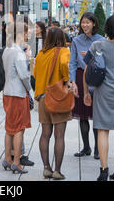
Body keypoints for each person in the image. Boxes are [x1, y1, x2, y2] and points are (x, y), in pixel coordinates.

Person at [82, 15, 114, 181]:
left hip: (102, 91)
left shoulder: (97, 45)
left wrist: (85, 92)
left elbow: (86, 66)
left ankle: (103, 171)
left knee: (102, 129)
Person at [34, 27, 73, 180]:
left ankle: (46, 168)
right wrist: (65, 79)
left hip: (43, 97)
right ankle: (57, 170)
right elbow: (64, 64)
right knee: (59, 136)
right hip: (58, 97)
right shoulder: (64, 51)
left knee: (45, 134)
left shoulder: (41, 54)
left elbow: (35, 74)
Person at [69, 12, 104, 159]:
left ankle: (97, 148)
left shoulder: (101, 40)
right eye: (83, 22)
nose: (85, 25)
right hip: (80, 77)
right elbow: (72, 62)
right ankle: (86, 147)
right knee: (82, 116)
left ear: (94, 24)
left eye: (88, 22)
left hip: (96, 79)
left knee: (96, 115)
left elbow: (103, 62)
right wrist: (72, 82)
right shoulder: (76, 40)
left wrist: (90, 57)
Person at [1, 22, 34, 175]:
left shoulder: (7, 49)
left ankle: (7, 158)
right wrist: (30, 90)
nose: (28, 35)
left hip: (7, 91)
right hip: (18, 93)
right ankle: (16, 162)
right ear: (21, 34)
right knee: (19, 128)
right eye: (26, 33)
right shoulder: (19, 53)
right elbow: (25, 76)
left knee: (9, 129)